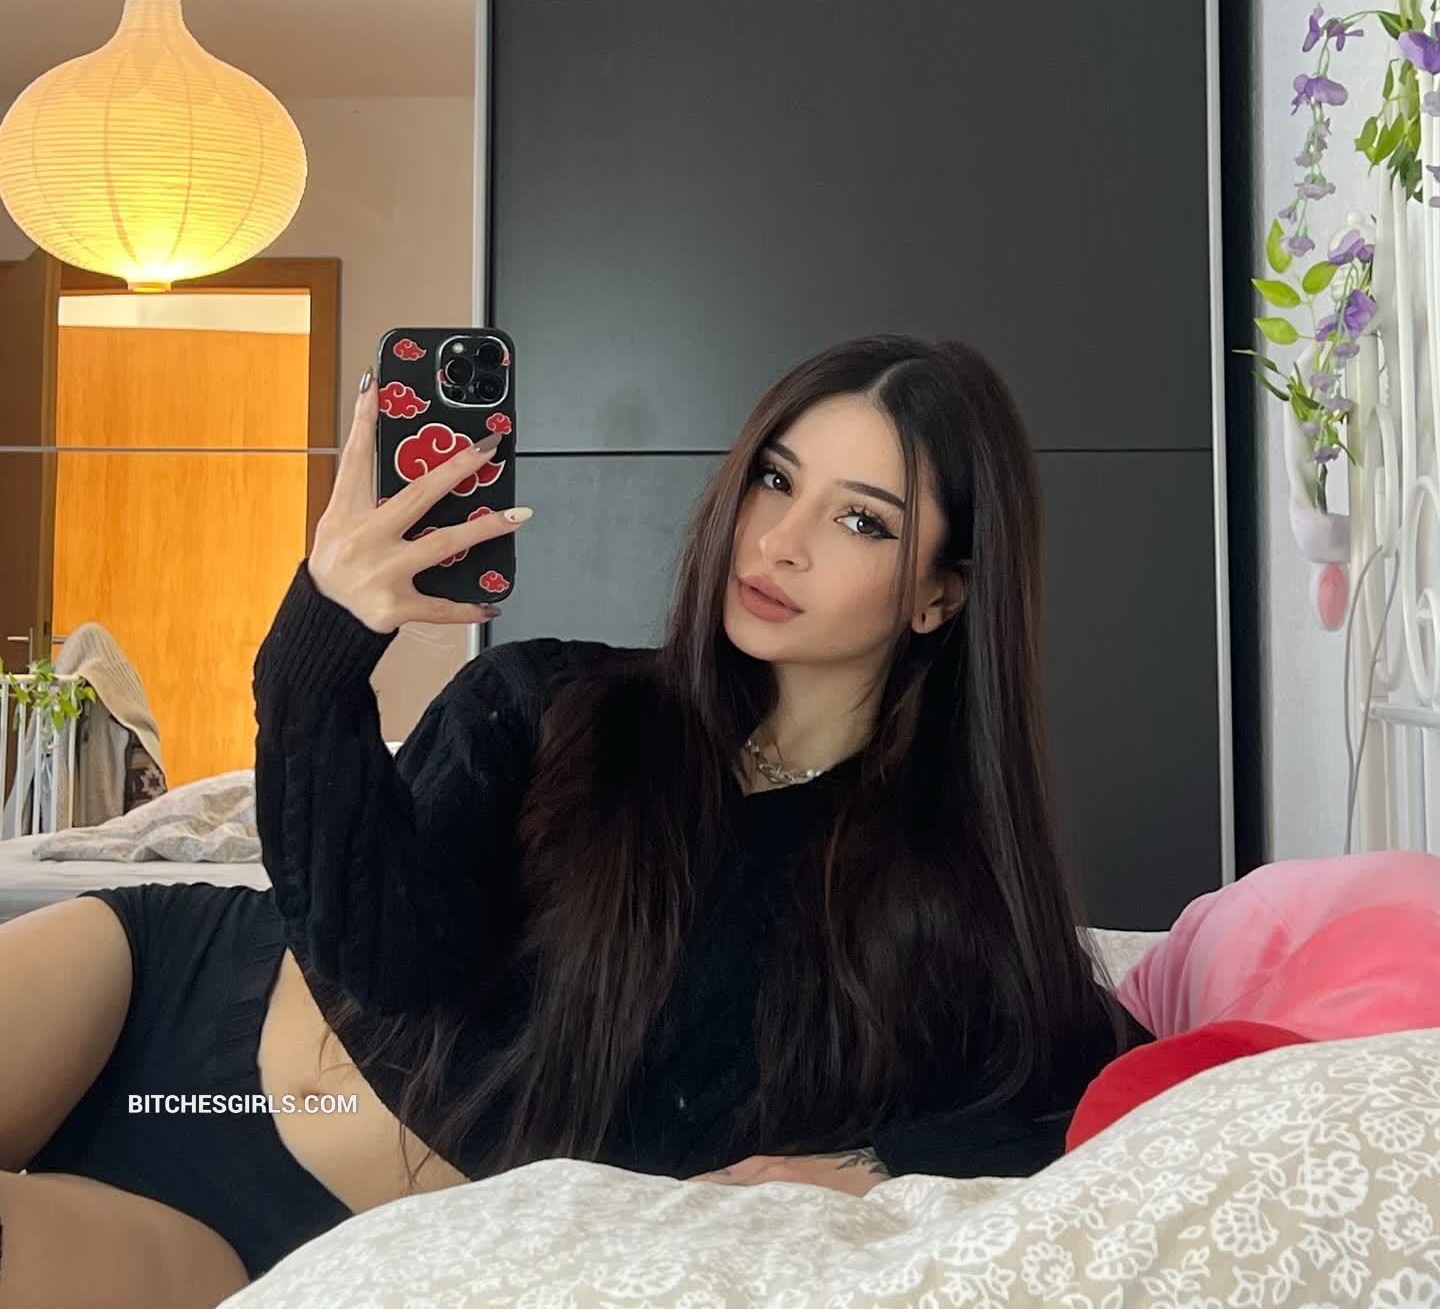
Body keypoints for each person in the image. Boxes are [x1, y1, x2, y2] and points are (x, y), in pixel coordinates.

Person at [0, 334, 1148, 1308]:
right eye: (774, 479)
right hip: (171, 1003)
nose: (779, 541)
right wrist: (323, 642)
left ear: (943, 592)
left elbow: (1120, 1092)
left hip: (320, 1243)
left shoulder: (935, 900)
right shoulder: (551, 700)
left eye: (861, 521)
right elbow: (385, 958)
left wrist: (876, 1163)